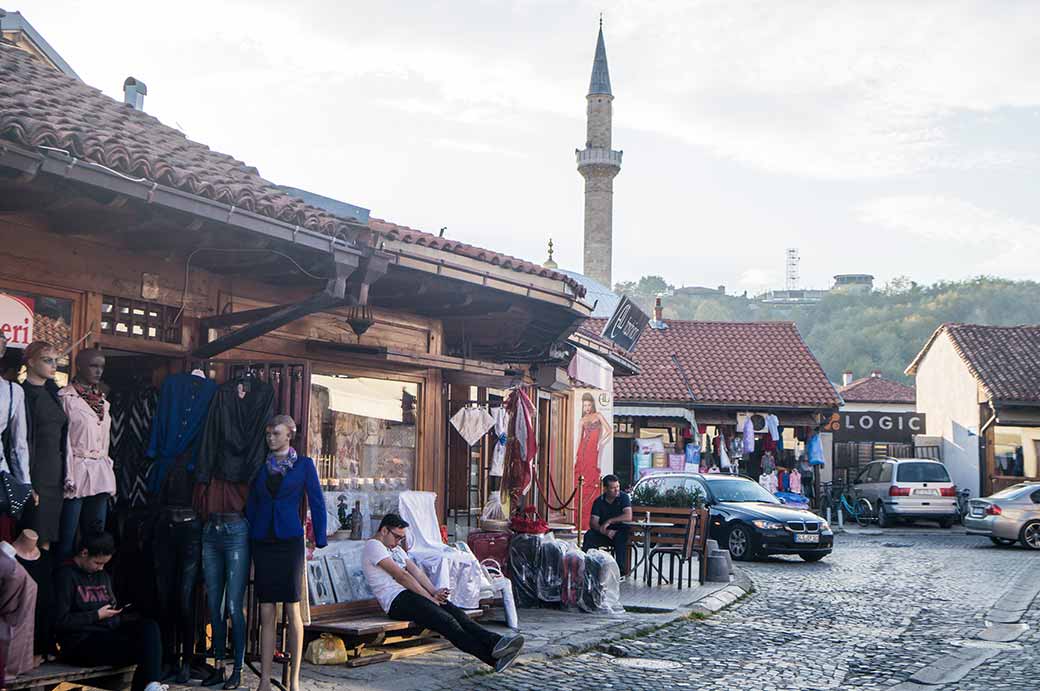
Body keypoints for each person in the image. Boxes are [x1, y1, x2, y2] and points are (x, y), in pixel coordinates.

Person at [362, 514, 524, 672]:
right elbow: (402, 576)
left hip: (412, 596)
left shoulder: (396, 549)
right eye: (397, 537)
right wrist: (429, 598)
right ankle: (491, 658)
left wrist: (434, 592)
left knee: (457, 613)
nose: (398, 542)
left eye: (401, 539)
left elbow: (416, 572)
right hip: (396, 601)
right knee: (447, 622)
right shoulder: (374, 546)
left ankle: (496, 642)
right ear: (384, 531)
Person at [246, 415, 326, 691]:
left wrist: (320, 538)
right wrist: (251, 537)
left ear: (289, 435)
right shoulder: (261, 467)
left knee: (292, 609)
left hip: (290, 540)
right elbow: (253, 504)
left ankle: (293, 680)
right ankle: (265, 681)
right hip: (263, 541)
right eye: (268, 434)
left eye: (275, 433)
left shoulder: (304, 465)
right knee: (267, 610)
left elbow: (316, 500)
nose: (270, 438)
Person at [53, 529, 166, 691]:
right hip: (80, 643)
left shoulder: (103, 576)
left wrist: (116, 614)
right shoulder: (65, 576)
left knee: (149, 627)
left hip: (107, 633)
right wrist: (97, 615)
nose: (100, 568)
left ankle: (152, 685)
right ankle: (150, 686)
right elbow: (60, 621)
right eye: (98, 563)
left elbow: (112, 612)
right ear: (84, 553)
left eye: (104, 564)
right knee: (146, 651)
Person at [575, 393, 612, 538]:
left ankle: (591, 519)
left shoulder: (599, 415)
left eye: (589, 405)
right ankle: (580, 520)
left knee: (592, 481)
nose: (587, 408)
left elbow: (609, 430)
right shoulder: (582, 420)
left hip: (593, 451)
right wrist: (576, 457)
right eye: (584, 405)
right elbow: (579, 439)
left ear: (592, 405)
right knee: (581, 484)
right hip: (583, 452)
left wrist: (601, 442)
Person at [581, 474, 632, 575]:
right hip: (604, 532)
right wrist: (605, 531)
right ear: (605, 489)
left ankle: (619, 571)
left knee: (621, 537)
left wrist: (609, 521)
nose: (616, 490)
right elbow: (593, 522)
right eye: (613, 488)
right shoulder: (599, 501)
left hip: (620, 531)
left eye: (618, 486)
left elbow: (628, 516)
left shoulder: (624, 497)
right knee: (589, 535)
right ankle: (590, 567)